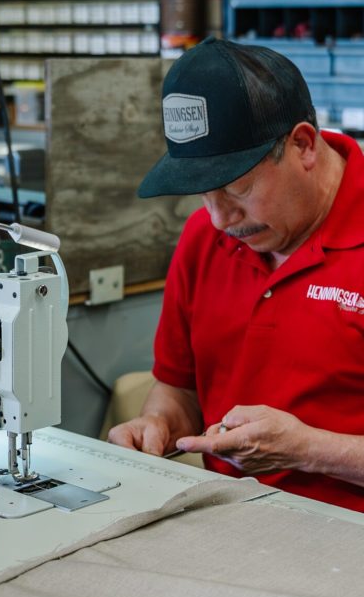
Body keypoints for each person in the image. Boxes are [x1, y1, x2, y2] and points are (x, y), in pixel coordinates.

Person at [108, 36, 364, 511]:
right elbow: (178, 387)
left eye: (238, 188)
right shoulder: (204, 237)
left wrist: (309, 450)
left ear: (303, 145)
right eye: (203, 194)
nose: (221, 219)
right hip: (227, 520)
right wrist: (159, 423)